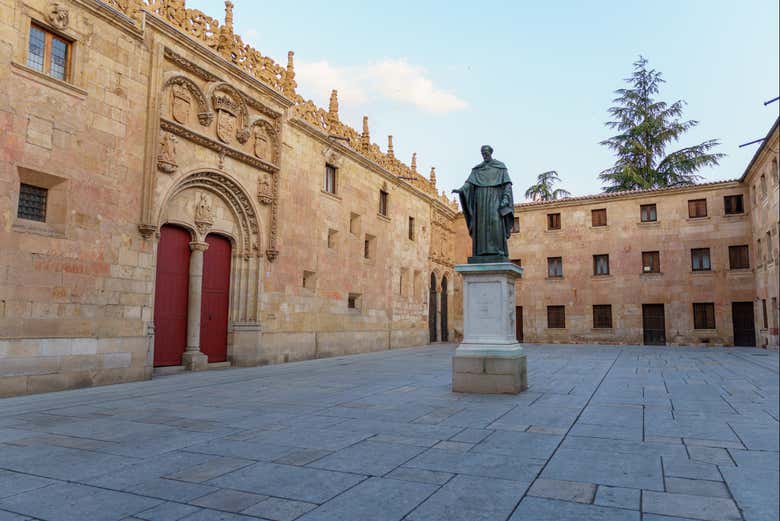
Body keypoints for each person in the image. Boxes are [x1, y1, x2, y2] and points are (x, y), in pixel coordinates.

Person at [453, 145, 515, 261]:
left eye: (486, 152)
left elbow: (507, 184)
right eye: (482, 153)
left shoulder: (500, 167)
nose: (484, 155)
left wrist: (505, 198)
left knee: (495, 222)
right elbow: (469, 184)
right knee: (481, 225)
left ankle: (498, 249)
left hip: (495, 198)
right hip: (480, 201)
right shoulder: (477, 169)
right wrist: (461, 190)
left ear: (491, 152)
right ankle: (480, 252)